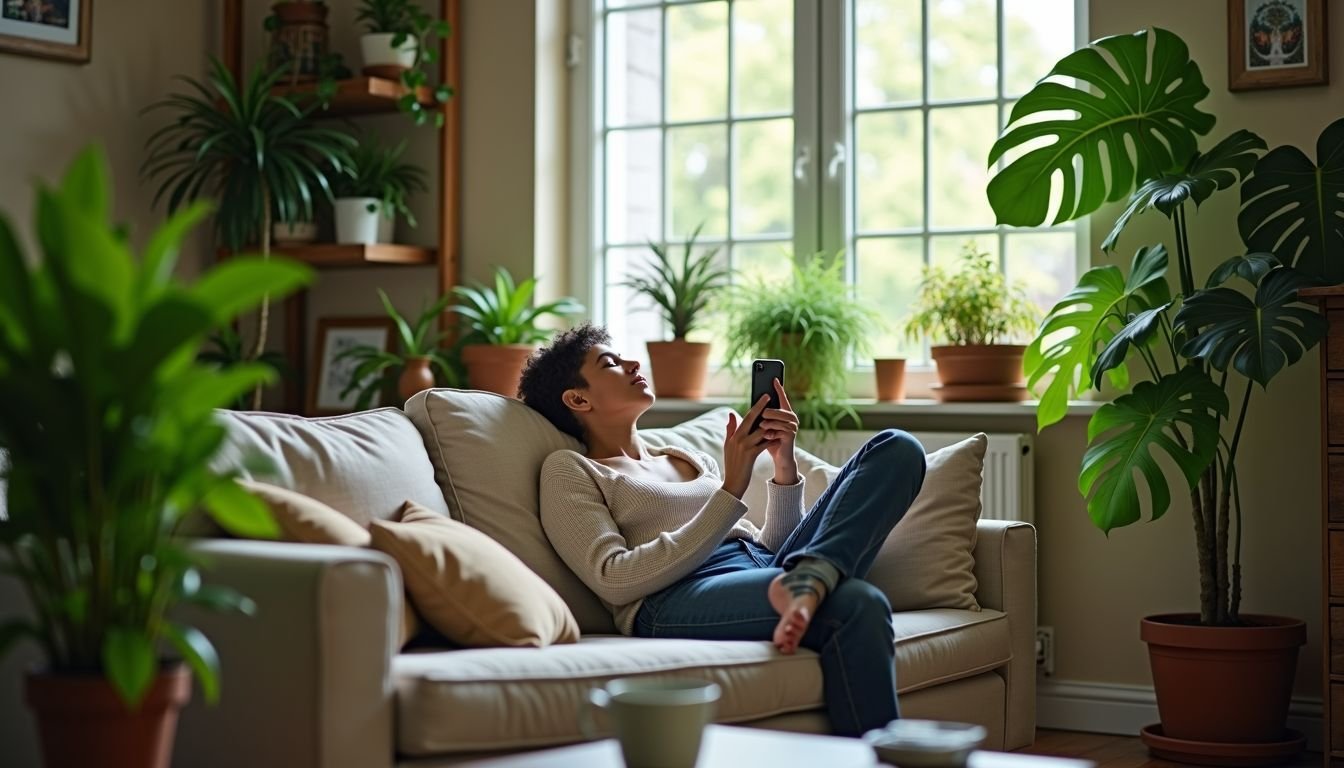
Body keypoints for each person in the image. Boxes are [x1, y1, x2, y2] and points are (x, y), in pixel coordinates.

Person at [518, 324, 927, 736]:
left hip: (765, 570)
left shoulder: (688, 459)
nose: (633, 362)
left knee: (897, 447)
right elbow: (615, 578)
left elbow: (769, 552)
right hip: (674, 598)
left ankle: (814, 576)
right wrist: (732, 487)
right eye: (610, 362)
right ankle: (817, 582)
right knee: (858, 601)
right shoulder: (571, 470)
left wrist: (782, 464)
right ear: (578, 398)